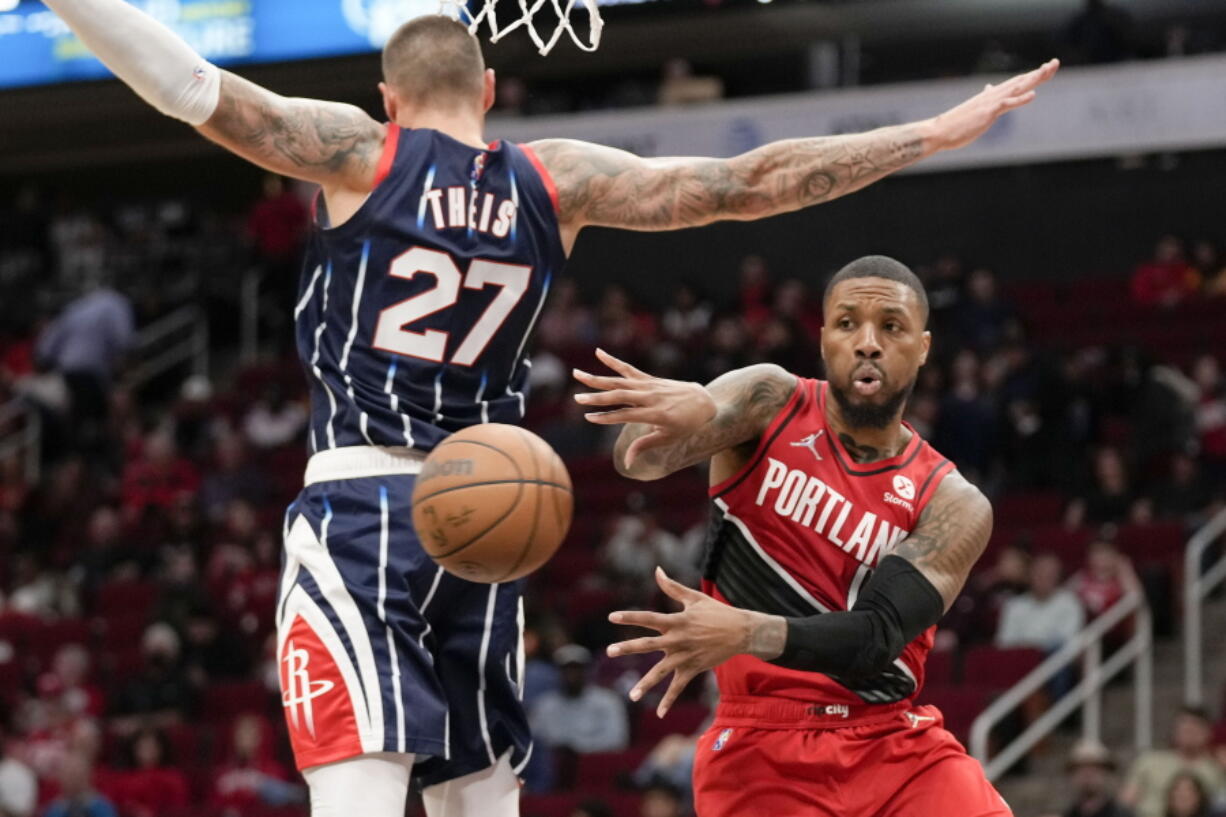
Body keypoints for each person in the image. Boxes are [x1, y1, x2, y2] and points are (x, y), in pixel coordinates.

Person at [41, 3, 1058, 815]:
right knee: (481, 795)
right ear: (491, 89)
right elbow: (743, 184)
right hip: (490, 531)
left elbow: (191, 87)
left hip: (361, 508)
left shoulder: (358, 152)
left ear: (390, 96)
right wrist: (932, 130)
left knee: (354, 797)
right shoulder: (553, 181)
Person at [574, 256, 1009, 815]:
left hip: (893, 743)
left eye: (891, 326)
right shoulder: (770, 399)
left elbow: (875, 639)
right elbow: (639, 461)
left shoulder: (952, 500)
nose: (868, 343)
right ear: (824, 336)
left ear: (923, 347)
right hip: (761, 746)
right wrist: (679, 417)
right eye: (848, 323)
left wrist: (746, 631)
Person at [1121, 707, 1226, 817]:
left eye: (1194, 729)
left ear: (1207, 733)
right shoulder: (1150, 761)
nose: (1189, 733)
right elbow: (1125, 802)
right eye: (1184, 728)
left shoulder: (1215, 767)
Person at [996, 552, 1086, 651]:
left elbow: (1069, 644)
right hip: (1018, 660)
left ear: (1058, 576)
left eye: (1049, 574)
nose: (1043, 577)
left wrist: (1033, 647)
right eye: (1039, 572)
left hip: (1053, 662)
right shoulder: (1014, 605)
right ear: (1030, 575)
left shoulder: (1071, 603)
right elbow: (1004, 643)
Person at [1039, 739, 1135, 817]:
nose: (1088, 774)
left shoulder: (1122, 814)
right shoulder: (1069, 814)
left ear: (1106, 773)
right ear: (1072, 775)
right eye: (1081, 769)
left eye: (1094, 768)